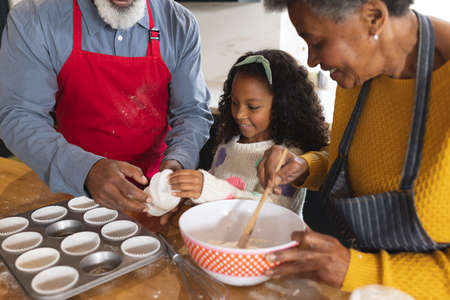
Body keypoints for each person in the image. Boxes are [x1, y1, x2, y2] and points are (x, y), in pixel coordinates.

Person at [258, 0, 450, 299]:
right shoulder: (361, 71)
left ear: (373, 17)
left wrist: (357, 269)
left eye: (318, 42)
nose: (310, 60)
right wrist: (307, 165)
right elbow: (362, 162)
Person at [0, 0, 213, 218]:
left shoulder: (179, 24)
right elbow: (19, 115)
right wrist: (85, 170)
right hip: (72, 191)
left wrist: (178, 161)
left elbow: (191, 112)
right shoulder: (35, 20)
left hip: (154, 197)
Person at [165, 49, 328, 215]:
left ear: (283, 106)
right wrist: (189, 191)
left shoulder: (288, 157)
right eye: (234, 102)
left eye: (253, 107)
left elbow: (271, 212)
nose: (240, 114)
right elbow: (214, 183)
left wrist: (208, 189)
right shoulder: (229, 142)